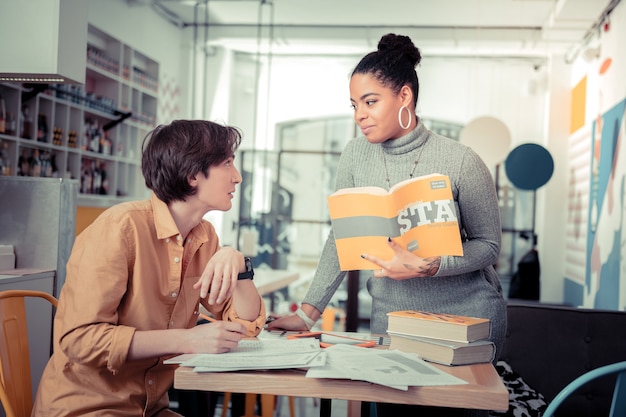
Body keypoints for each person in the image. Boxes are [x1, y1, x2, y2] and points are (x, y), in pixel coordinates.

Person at [267, 34, 506, 417]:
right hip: (394, 324)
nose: (359, 114)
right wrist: (309, 311)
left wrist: (429, 265)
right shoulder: (355, 155)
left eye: (370, 101)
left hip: (464, 325)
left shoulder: (461, 160)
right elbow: (339, 237)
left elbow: (489, 246)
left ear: (405, 97)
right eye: (354, 104)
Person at [32, 120, 266, 416]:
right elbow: (79, 340)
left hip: (150, 408)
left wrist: (240, 266)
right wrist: (187, 339)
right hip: (86, 408)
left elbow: (244, 328)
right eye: (228, 163)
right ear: (193, 174)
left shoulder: (205, 237)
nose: (238, 177)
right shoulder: (119, 229)